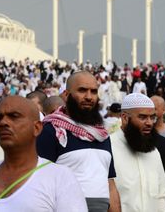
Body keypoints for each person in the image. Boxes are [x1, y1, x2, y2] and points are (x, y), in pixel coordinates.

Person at [0, 96, 87, 211]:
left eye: (14, 116)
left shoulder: (60, 178)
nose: (3, 123)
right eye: (0, 117)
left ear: (37, 128)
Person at [37, 71, 121, 212]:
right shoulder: (52, 131)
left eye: (93, 92)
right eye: (82, 90)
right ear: (66, 94)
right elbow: (40, 183)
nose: (89, 97)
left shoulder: (102, 135)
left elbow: (110, 183)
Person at [111, 93, 165, 211]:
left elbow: (162, 197)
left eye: (152, 117)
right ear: (125, 118)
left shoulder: (153, 152)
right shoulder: (109, 148)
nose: (149, 123)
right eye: (142, 117)